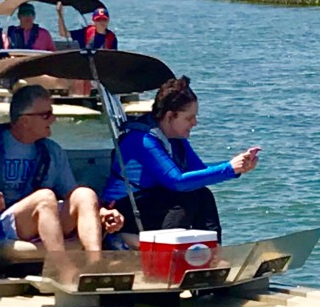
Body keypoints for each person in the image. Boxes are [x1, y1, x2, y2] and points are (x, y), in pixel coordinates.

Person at [0, 85, 123, 254]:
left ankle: (94, 265)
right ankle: (61, 269)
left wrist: (101, 212)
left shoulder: (52, 151)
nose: (53, 120)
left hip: (44, 218)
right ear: (25, 120)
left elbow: (71, 194)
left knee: (85, 194)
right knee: (45, 197)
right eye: (46, 115)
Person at [102, 76, 259, 241]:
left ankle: (212, 251)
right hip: (122, 210)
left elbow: (200, 173)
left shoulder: (176, 139)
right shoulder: (142, 140)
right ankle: (168, 251)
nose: (195, 123)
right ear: (170, 116)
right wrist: (229, 168)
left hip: (150, 203)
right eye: (189, 118)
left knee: (203, 194)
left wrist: (238, 168)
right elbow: (176, 182)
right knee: (186, 197)